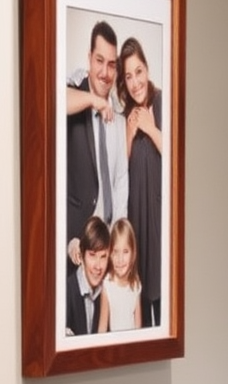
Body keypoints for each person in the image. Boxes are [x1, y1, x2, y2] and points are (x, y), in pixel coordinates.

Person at [66, 20, 128, 264]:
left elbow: (121, 180)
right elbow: (56, 99)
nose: (105, 72)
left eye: (112, 65)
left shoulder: (119, 116)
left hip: (110, 246)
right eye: (99, 61)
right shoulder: (75, 92)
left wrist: (120, 234)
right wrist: (94, 101)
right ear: (89, 58)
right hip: (78, 243)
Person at [118, 36, 163, 327]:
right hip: (136, 221)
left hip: (159, 217)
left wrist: (152, 128)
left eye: (139, 72)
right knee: (141, 306)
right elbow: (118, 172)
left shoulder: (162, 102)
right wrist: (130, 136)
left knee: (164, 299)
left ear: (147, 69)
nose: (135, 82)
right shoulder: (126, 117)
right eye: (129, 76)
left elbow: (181, 160)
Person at [64, 216, 110, 335]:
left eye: (103, 257)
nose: (98, 266)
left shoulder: (108, 292)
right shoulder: (65, 293)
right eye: (92, 255)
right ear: (81, 256)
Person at [98, 217, 142, 332]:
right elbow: (102, 328)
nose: (120, 259)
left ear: (133, 254)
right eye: (115, 252)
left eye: (125, 252)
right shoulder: (108, 285)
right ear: (110, 254)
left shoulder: (135, 284)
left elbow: (138, 327)